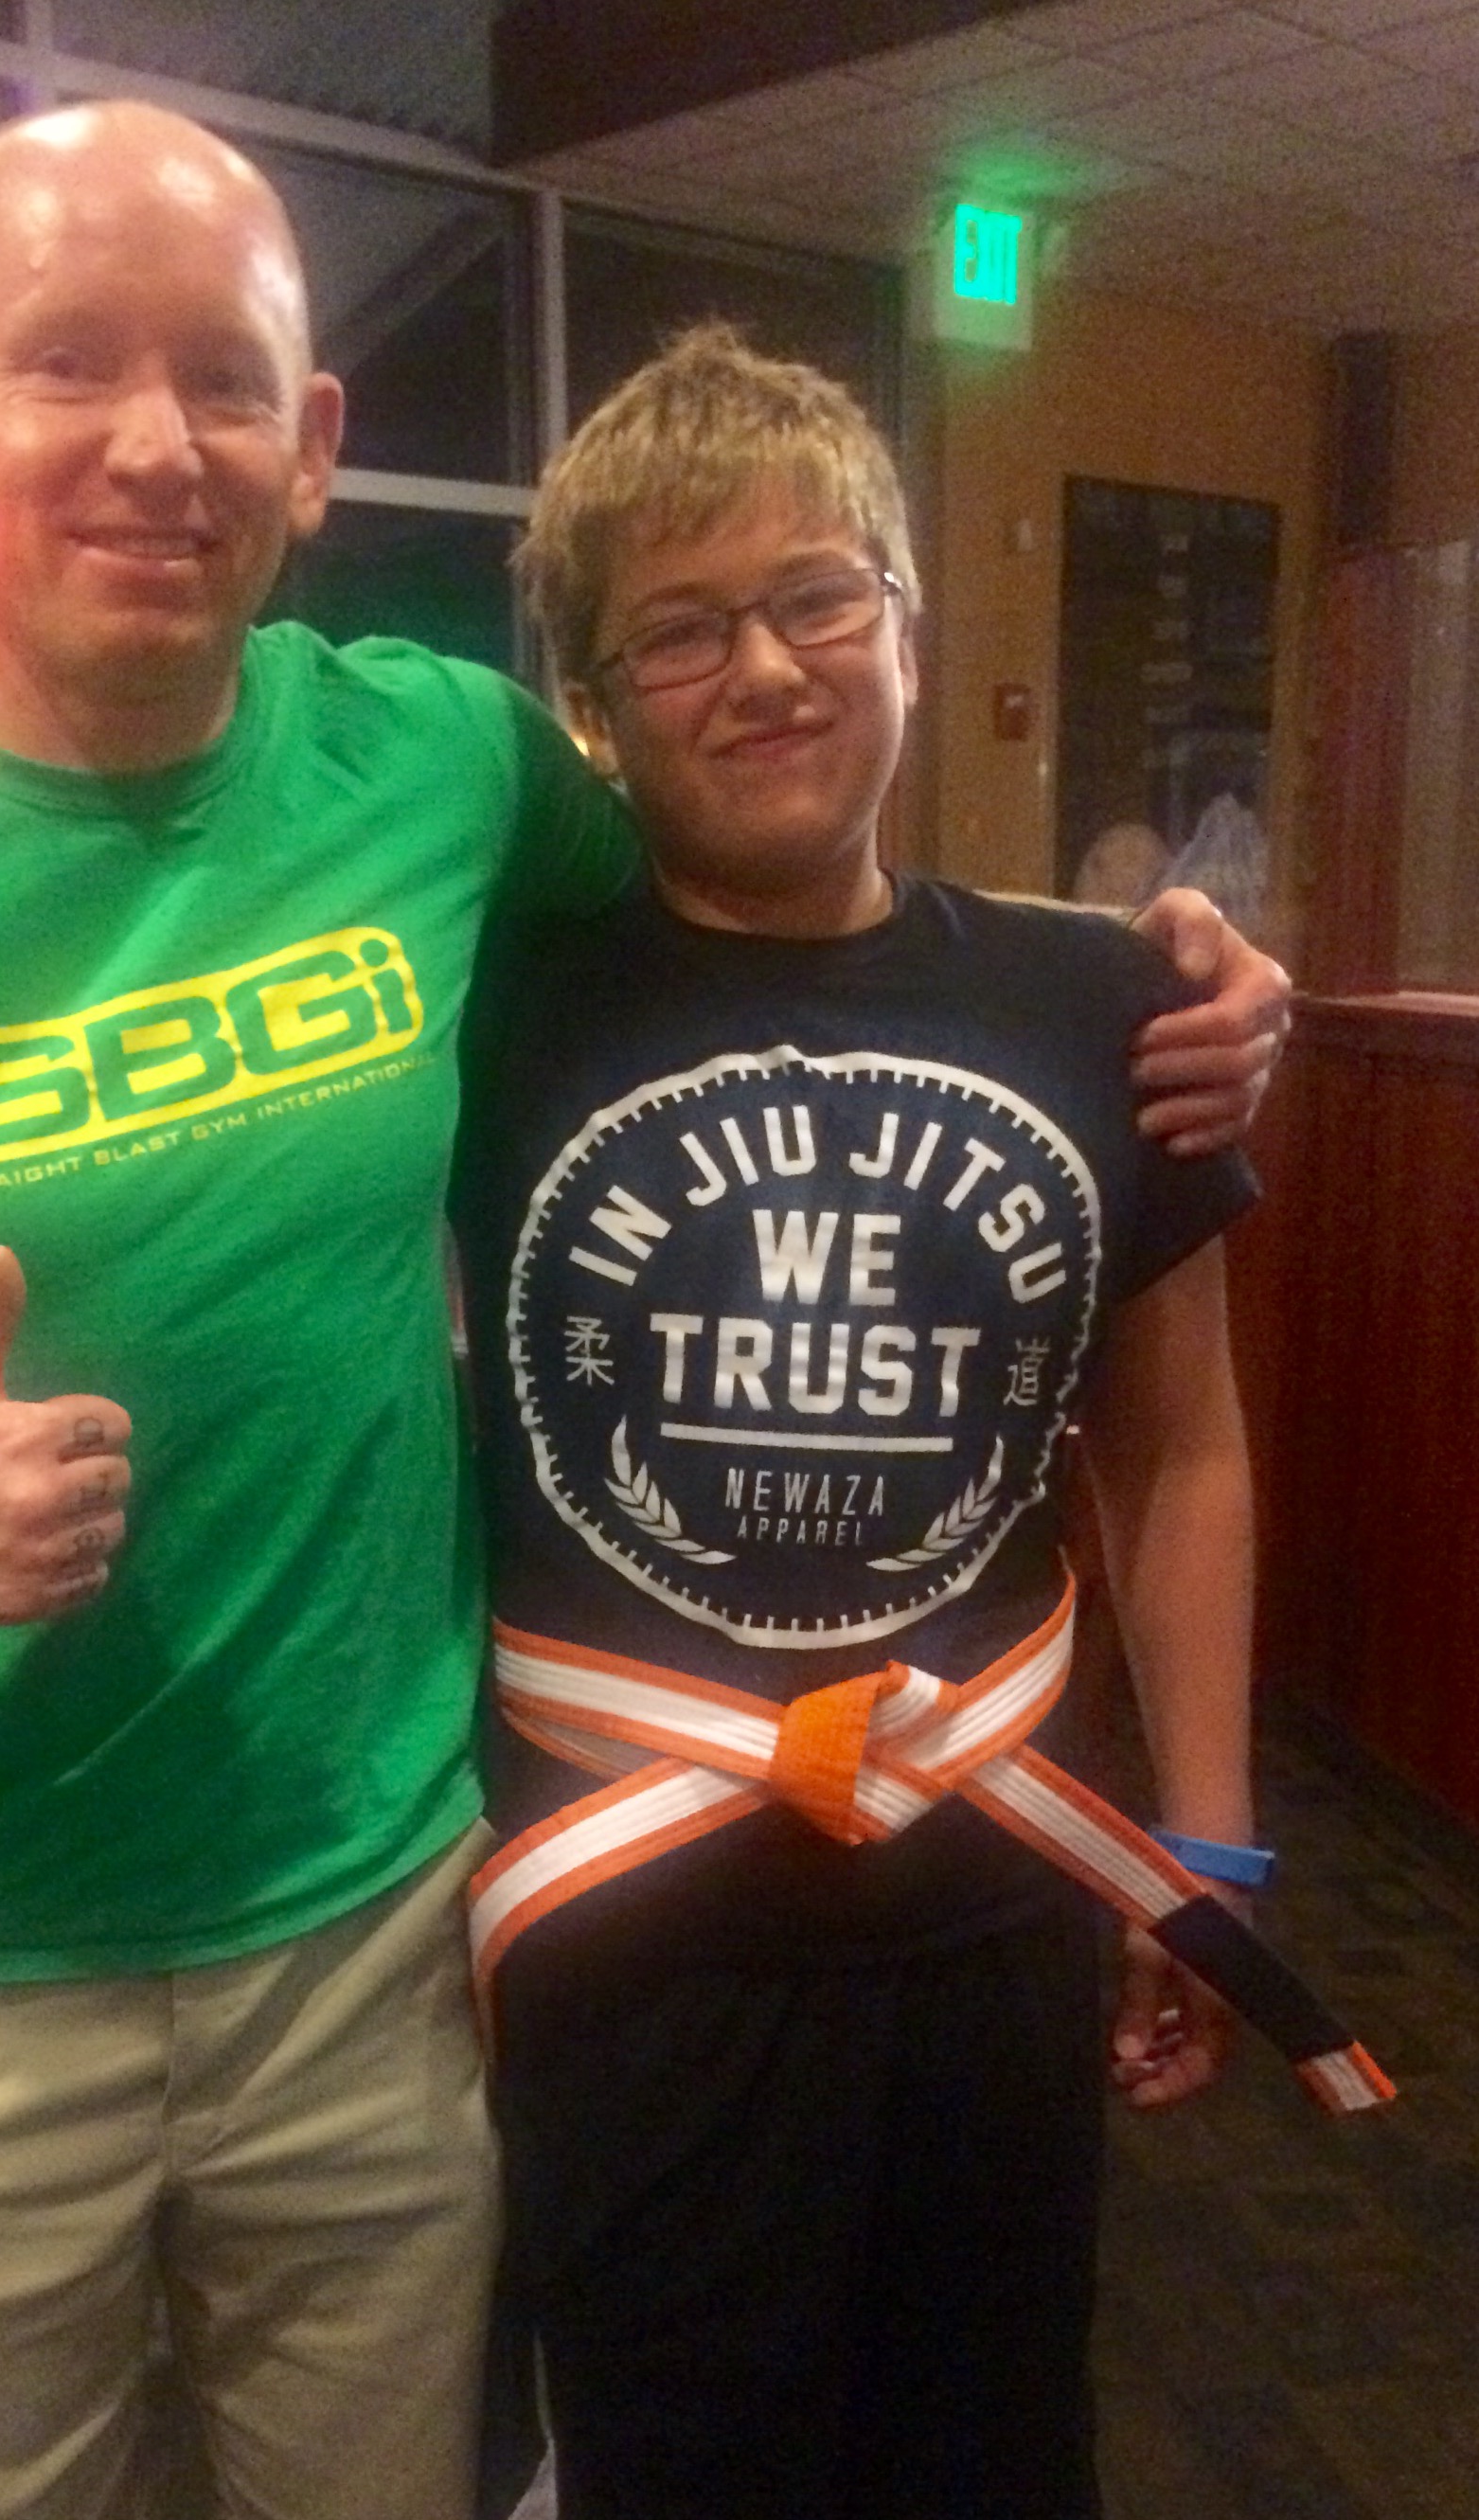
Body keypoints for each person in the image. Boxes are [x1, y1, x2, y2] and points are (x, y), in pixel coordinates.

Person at [0, 101, 1285, 2520]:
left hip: (386, 1957)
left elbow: (783, 877)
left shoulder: (447, 766)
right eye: (66, 362)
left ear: (312, 443)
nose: (152, 442)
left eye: (221, 377)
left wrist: (1165, 974)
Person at [444, 325, 1349, 2520]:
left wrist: (1206, 1845)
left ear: (910, 629)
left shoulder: (1101, 1000)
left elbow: (1180, 1444)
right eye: (681, 628)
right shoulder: (487, 996)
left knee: (991, 2463)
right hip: (629, 1935)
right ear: (595, 704)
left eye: (815, 595)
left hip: (990, 1903)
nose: (763, 667)